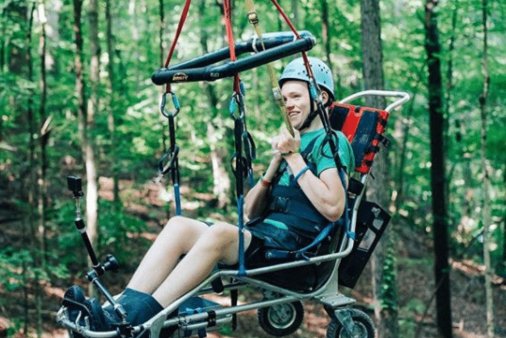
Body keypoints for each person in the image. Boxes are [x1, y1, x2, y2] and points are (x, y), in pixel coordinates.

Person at [62, 57, 355, 333]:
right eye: (285, 98)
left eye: (296, 97)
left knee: (221, 234)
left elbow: (333, 207)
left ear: (321, 98)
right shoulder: (293, 142)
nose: (288, 105)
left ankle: (138, 323)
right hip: (266, 238)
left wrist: (294, 159)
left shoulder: (332, 142)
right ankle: (118, 312)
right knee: (179, 225)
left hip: (296, 251)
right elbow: (249, 214)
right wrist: (274, 165)